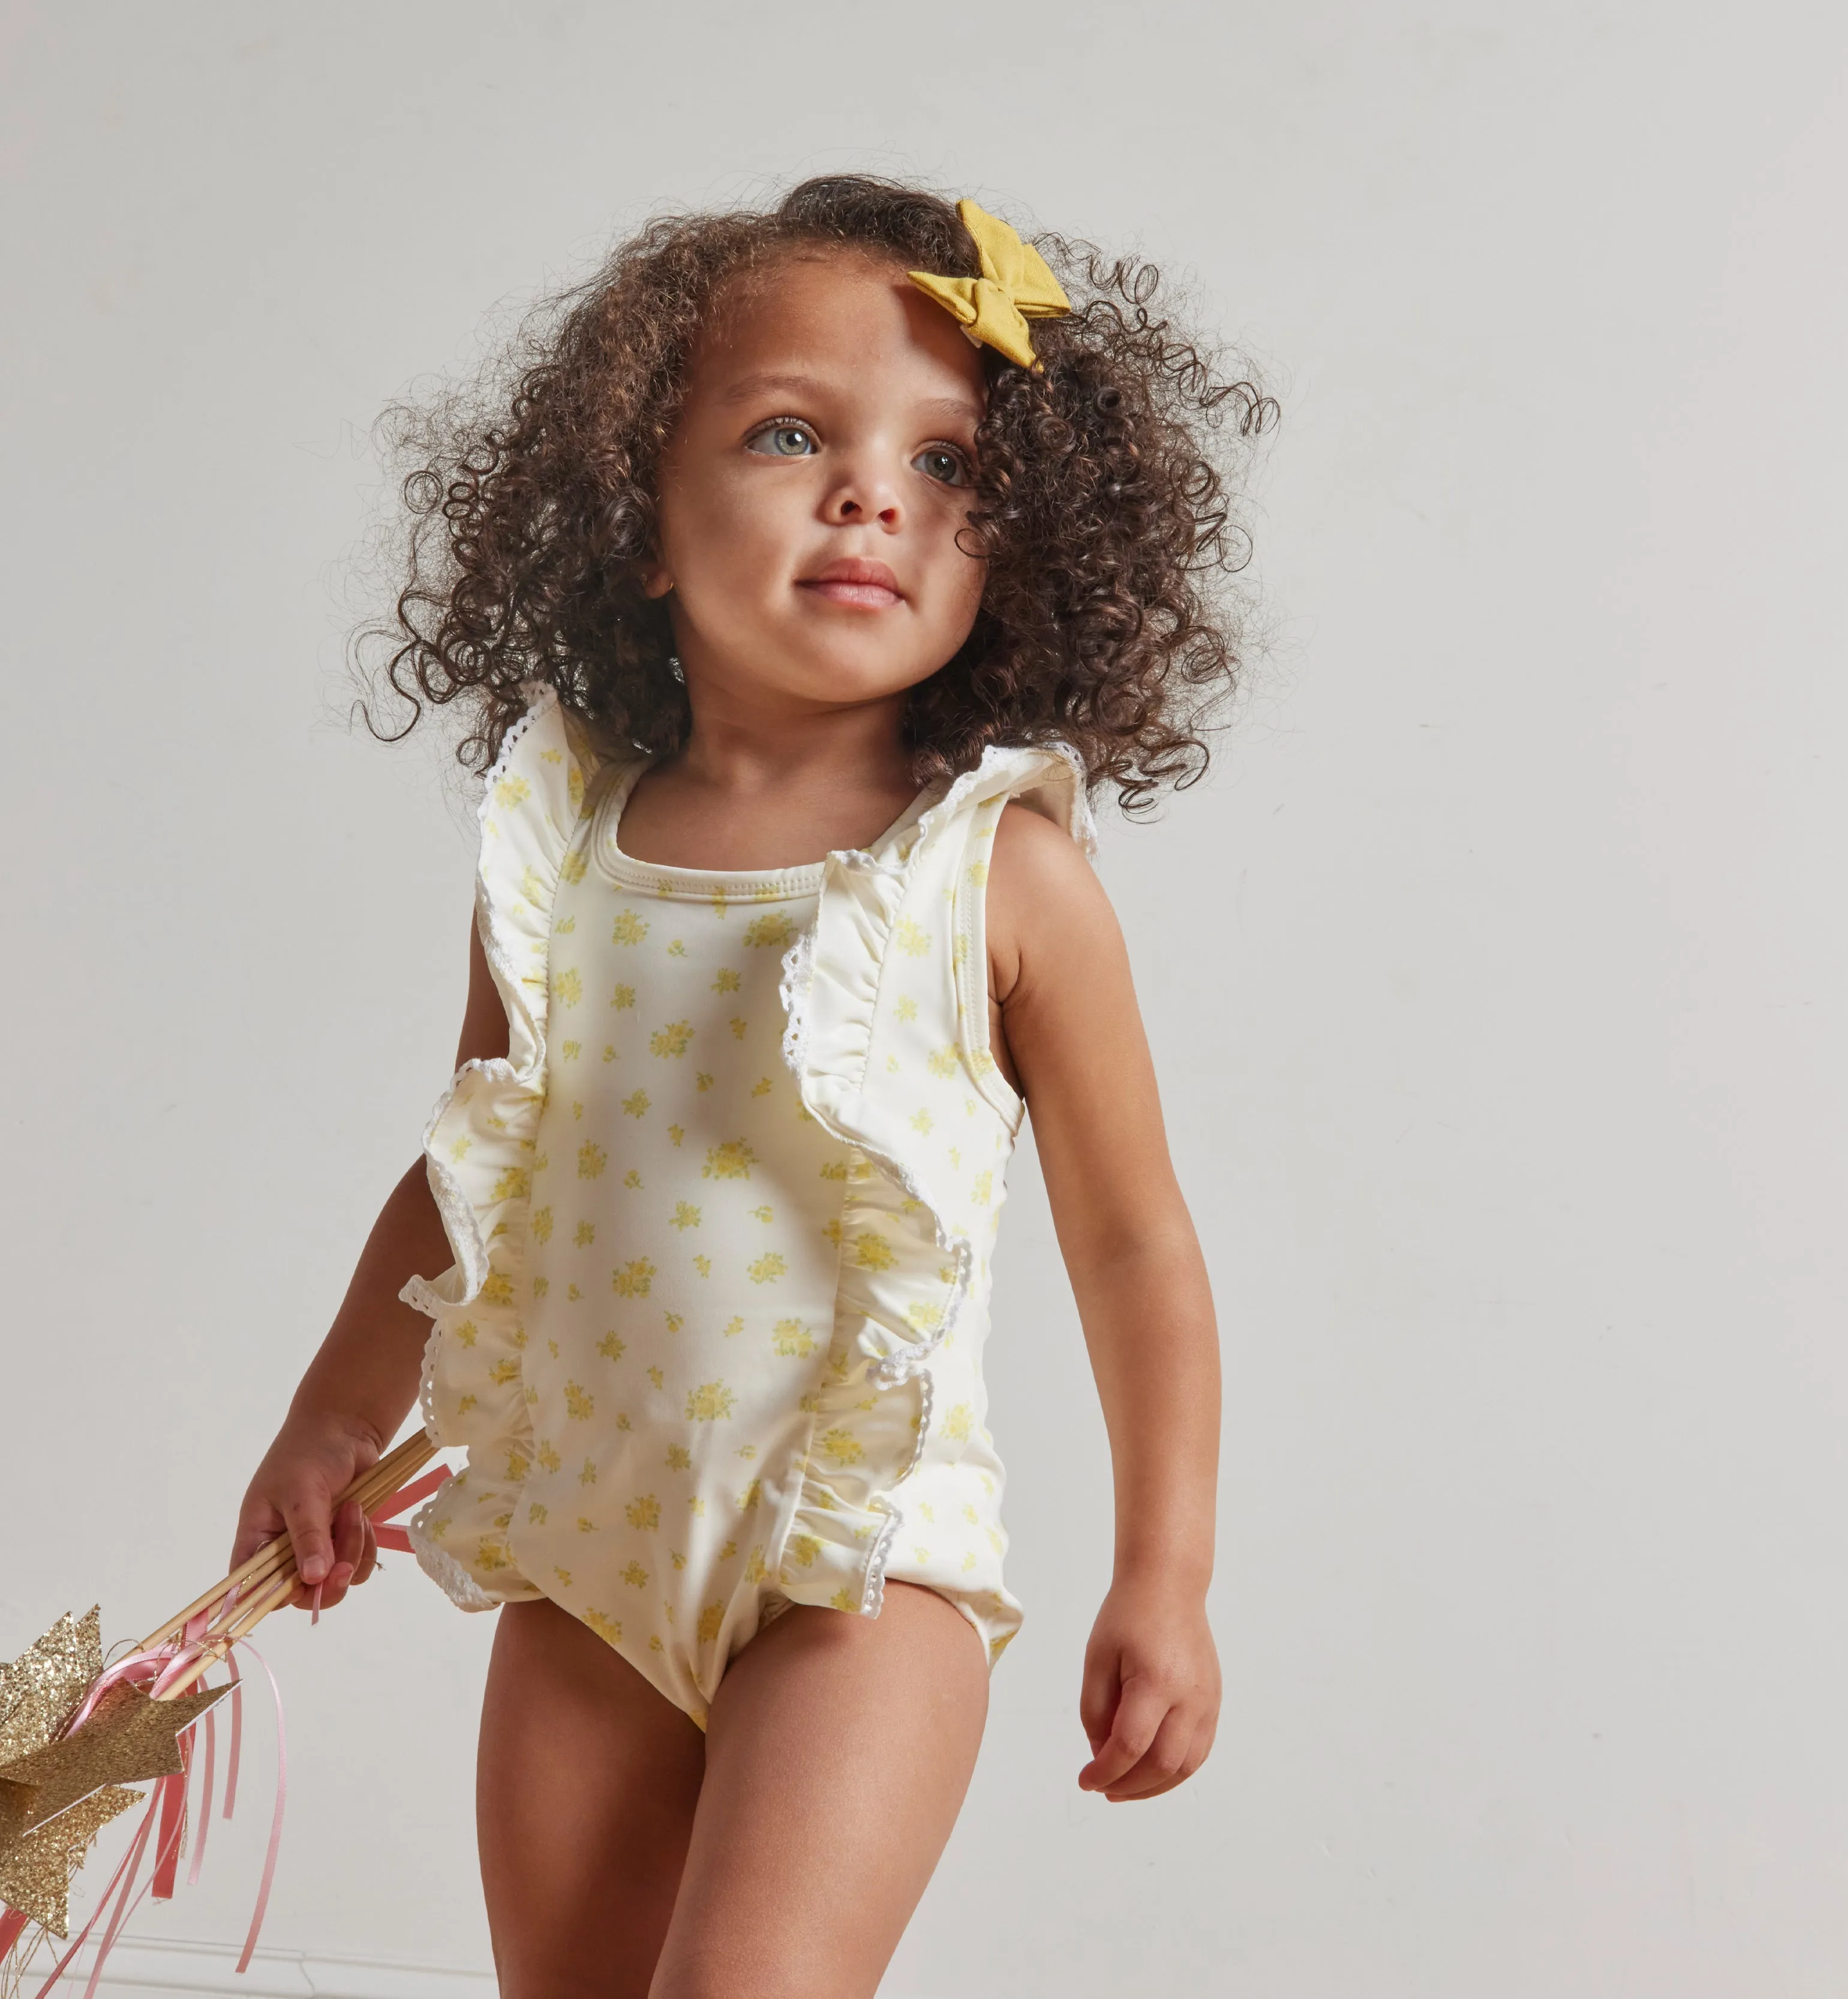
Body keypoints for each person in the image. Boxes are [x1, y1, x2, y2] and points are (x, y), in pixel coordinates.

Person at [232, 174, 1274, 1999]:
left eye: (951, 464)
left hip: (865, 1581)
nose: (876, 489)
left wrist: (1162, 1574)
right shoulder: (561, 850)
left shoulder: (1000, 878)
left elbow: (1135, 1249)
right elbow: (475, 1155)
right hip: (584, 1564)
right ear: (641, 514)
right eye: (793, 432)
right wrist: (333, 1410)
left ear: (1017, 548)